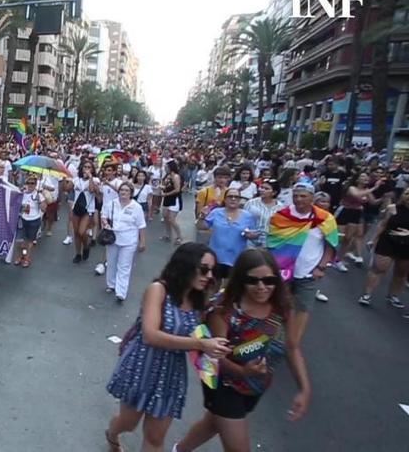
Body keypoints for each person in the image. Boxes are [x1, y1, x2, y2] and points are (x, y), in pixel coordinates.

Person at [174, 249, 311, 452]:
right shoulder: (223, 309)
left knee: (213, 423)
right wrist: (243, 372)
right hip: (224, 385)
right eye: (253, 280)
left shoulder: (283, 306)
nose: (262, 287)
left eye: (268, 280)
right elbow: (216, 356)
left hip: (255, 386)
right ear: (240, 279)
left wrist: (304, 388)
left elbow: (292, 347)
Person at [104, 243, 229, 452]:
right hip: (142, 366)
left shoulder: (200, 300)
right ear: (186, 265)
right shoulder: (158, 290)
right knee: (129, 422)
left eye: (212, 271)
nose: (209, 276)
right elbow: (150, 335)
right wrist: (200, 344)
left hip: (171, 373)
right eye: (204, 269)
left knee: (155, 438)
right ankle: (112, 434)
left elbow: (212, 333)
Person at [267, 182, 338, 344]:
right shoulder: (281, 216)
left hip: (308, 272)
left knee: (303, 308)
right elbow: (272, 242)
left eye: (303, 196)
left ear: (312, 198)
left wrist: (321, 267)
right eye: (295, 196)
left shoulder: (325, 218)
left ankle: (293, 343)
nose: (298, 199)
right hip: (282, 271)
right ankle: (272, 338)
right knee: (279, 304)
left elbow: (331, 245)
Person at [358, 188, 409, 309]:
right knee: (379, 267)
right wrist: (373, 239)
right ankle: (367, 295)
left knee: (401, 273)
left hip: (407, 245)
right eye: (407, 193)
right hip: (388, 241)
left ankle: (393, 296)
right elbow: (383, 224)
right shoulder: (393, 208)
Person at [196, 188, 259, 282]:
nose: (233, 199)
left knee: (230, 289)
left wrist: (251, 235)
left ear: (239, 200)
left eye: (236, 197)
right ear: (225, 199)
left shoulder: (248, 216)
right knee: (212, 286)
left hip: (236, 259)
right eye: (230, 197)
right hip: (216, 258)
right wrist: (202, 217)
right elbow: (201, 227)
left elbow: (253, 235)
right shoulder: (216, 212)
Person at [101, 182, 147, 301]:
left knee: (124, 266)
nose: (124, 192)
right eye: (122, 190)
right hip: (112, 238)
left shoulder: (136, 207)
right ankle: (111, 284)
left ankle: (121, 292)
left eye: (127, 191)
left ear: (131, 193)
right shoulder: (112, 203)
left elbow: (141, 225)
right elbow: (104, 215)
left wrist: (142, 242)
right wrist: (105, 223)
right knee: (111, 262)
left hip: (129, 241)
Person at [333, 172, 381, 271]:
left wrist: (385, 197)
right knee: (339, 238)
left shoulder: (367, 191)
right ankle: (327, 255)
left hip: (356, 214)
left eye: (366, 177)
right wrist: (373, 188)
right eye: (362, 176)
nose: (365, 178)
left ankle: (339, 260)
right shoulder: (352, 188)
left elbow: (373, 202)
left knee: (348, 238)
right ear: (357, 179)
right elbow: (356, 194)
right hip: (344, 211)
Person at [67, 160, 100, 263]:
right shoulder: (76, 179)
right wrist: (66, 179)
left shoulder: (95, 179)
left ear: (92, 169)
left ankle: (86, 246)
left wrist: (90, 177)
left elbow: (91, 190)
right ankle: (78, 254)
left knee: (82, 232)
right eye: (85, 167)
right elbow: (67, 189)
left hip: (88, 209)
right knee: (76, 233)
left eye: (89, 167)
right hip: (76, 208)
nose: (86, 169)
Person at [14, 175, 48, 268]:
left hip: (34, 220)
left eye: (32, 183)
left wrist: (40, 201)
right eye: (28, 183)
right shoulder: (23, 193)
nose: (30, 185)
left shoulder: (38, 195)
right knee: (20, 242)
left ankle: (26, 258)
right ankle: (21, 255)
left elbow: (44, 209)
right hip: (22, 219)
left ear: (36, 184)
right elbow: (15, 203)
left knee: (29, 241)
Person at [242, 179, 285, 247]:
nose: (262, 190)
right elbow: (242, 220)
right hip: (250, 241)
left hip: (269, 243)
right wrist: (246, 232)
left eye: (266, 189)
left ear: (274, 192)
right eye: (261, 187)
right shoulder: (251, 203)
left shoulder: (281, 207)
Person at [161, 160, 184, 245]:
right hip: (167, 198)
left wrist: (166, 194)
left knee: (171, 219)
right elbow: (167, 185)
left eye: (166, 167)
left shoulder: (176, 176)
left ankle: (179, 236)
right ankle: (168, 235)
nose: (165, 168)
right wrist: (162, 187)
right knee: (166, 218)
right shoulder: (167, 176)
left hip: (174, 199)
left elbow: (177, 189)